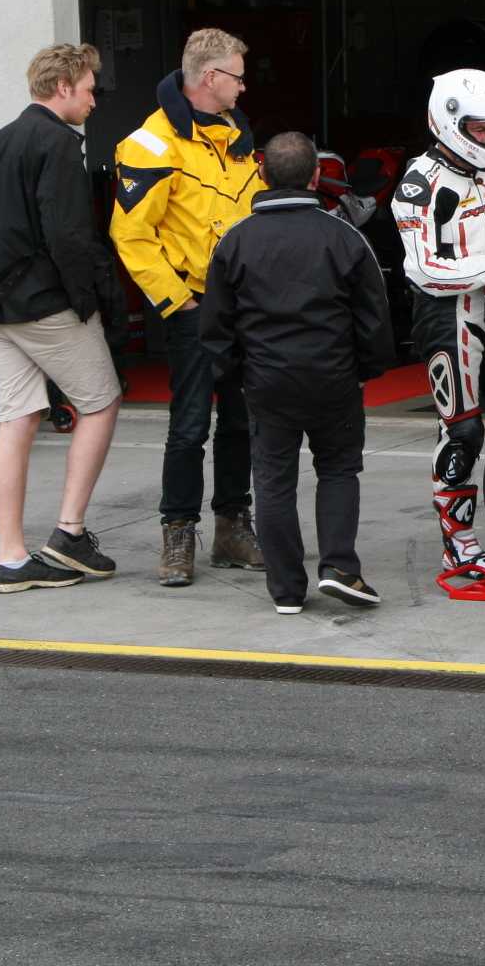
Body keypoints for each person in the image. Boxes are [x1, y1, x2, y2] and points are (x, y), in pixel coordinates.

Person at [0, 43, 123, 594]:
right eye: (91, 88)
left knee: (17, 421)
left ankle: (12, 559)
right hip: (46, 304)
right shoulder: (57, 144)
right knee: (102, 402)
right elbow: (68, 234)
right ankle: (69, 533)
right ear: (64, 86)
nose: (95, 99)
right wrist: (91, 299)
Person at [201, 132, 396, 615]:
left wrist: (236, 375)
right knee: (338, 469)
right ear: (315, 177)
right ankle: (339, 568)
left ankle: (286, 590)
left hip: (266, 382)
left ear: (263, 174)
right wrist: (366, 371)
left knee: (272, 480)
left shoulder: (236, 239)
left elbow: (215, 327)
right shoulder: (344, 236)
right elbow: (375, 317)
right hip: (333, 377)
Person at [112, 28, 267, 586]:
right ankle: (177, 533)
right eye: (237, 76)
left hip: (244, 308)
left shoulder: (236, 137)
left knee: (241, 422)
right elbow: (130, 235)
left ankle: (232, 526)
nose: (244, 88)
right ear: (210, 78)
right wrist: (176, 302)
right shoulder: (151, 144)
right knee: (190, 426)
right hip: (194, 307)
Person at [391, 68, 485, 576]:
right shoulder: (419, 183)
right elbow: (424, 269)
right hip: (448, 315)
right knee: (464, 432)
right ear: (449, 120)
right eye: (482, 129)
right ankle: (460, 543)